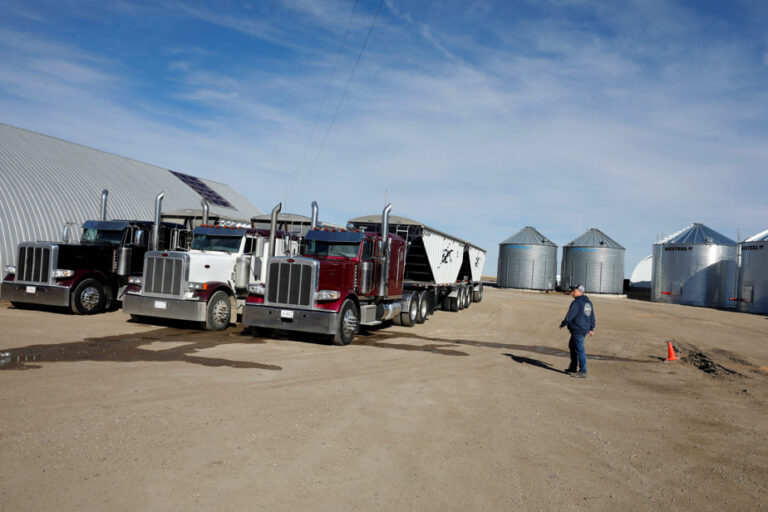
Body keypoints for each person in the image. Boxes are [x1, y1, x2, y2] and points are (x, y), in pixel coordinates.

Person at [559, 284, 595, 378]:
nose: (572, 293)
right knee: (572, 346)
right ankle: (573, 367)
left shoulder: (577, 302)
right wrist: (591, 328)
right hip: (583, 329)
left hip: (578, 329)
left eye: (574, 291)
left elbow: (570, 315)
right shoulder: (588, 303)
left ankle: (583, 371)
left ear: (580, 292)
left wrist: (563, 323)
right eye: (572, 291)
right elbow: (591, 316)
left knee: (579, 350)